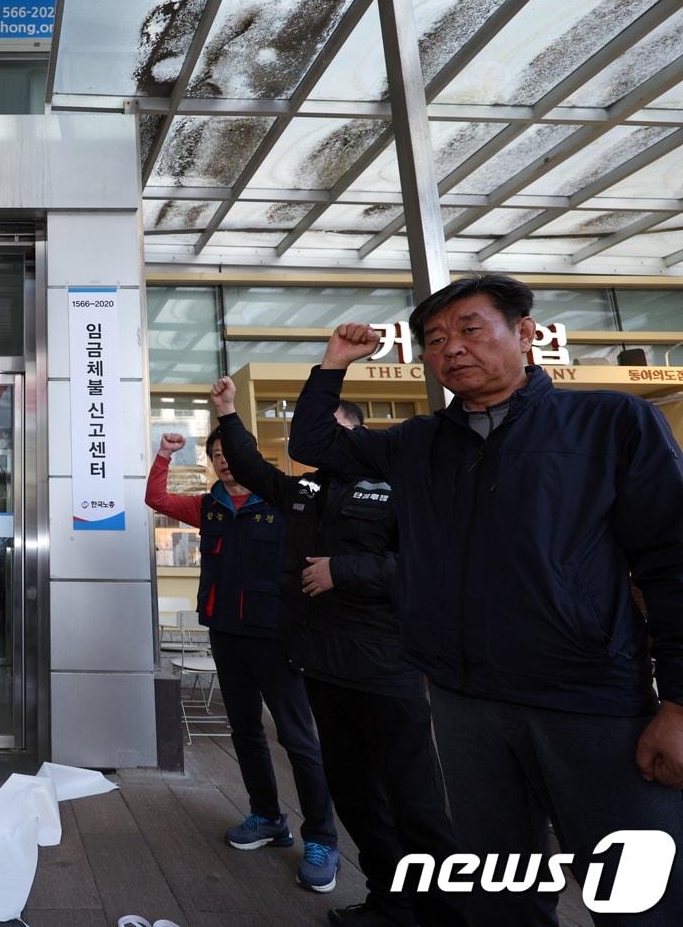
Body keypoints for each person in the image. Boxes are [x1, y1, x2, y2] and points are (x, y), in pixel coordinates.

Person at [288, 272, 683, 925]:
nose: (452, 349)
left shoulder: (610, 423)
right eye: (435, 340)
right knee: (497, 895)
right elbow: (314, 443)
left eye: (470, 329)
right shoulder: (420, 442)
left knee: (638, 897)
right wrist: (334, 363)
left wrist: (677, 701)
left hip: (589, 703)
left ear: (525, 333)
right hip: (462, 702)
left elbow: (671, 561)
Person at [211, 378, 463, 927]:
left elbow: (436, 567)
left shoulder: (404, 489)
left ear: (359, 435)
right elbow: (256, 471)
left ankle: (440, 914)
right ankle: (389, 903)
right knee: (356, 798)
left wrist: (342, 571)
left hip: (385, 670)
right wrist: (228, 414)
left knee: (414, 803)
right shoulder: (310, 491)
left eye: (334, 437)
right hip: (321, 667)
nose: (327, 449)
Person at [146, 425, 339, 892]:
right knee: (245, 731)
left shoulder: (285, 502)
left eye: (231, 451)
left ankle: (322, 839)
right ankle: (267, 816)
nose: (224, 459)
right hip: (225, 634)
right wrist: (164, 456)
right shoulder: (207, 505)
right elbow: (159, 500)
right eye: (216, 453)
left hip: (276, 636)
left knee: (298, 738)